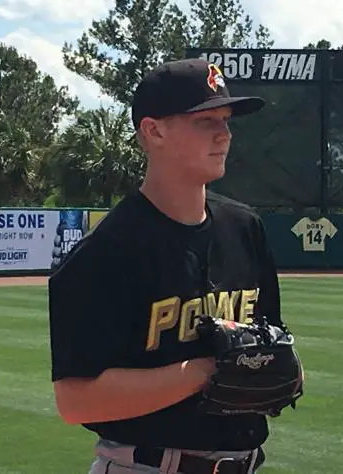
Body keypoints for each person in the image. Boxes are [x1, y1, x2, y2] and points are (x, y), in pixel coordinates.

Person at [48, 58, 293, 474]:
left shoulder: (244, 228)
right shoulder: (106, 251)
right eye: (205, 120)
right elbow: (75, 400)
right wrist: (206, 371)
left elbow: (270, 343)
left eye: (227, 120)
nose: (224, 134)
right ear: (154, 130)